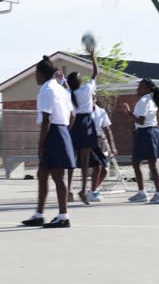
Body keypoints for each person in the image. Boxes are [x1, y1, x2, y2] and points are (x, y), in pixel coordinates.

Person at [22, 56, 76, 228]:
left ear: (41, 74)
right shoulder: (62, 90)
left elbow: (46, 120)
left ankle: (63, 216)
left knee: (58, 177)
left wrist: (41, 145)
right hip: (61, 132)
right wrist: (64, 133)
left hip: (53, 133)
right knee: (42, 174)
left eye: (36, 74)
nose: (35, 77)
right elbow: (72, 115)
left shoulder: (46, 91)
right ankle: (39, 214)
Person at [121, 78, 159, 204]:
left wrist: (128, 112)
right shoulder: (151, 100)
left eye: (141, 86)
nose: (138, 89)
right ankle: (152, 193)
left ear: (147, 89)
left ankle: (148, 193)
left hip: (146, 133)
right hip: (152, 132)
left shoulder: (143, 101)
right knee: (149, 165)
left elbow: (141, 121)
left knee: (137, 163)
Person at [66, 49, 99, 205]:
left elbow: (67, 87)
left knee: (72, 159)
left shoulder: (69, 92)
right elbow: (95, 73)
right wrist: (93, 56)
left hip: (74, 124)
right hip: (86, 124)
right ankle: (83, 190)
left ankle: (68, 190)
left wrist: (63, 80)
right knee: (85, 160)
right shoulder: (86, 89)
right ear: (79, 81)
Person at [88, 94, 117, 202]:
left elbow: (107, 129)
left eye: (93, 98)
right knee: (97, 167)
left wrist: (112, 146)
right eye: (89, 98)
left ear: (96, 99)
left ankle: (92, 190)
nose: (91, 100)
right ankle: (92, 192)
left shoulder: (101, 111)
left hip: (100, 141)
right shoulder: (83, 112)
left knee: (104, 170)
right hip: (88, 142)